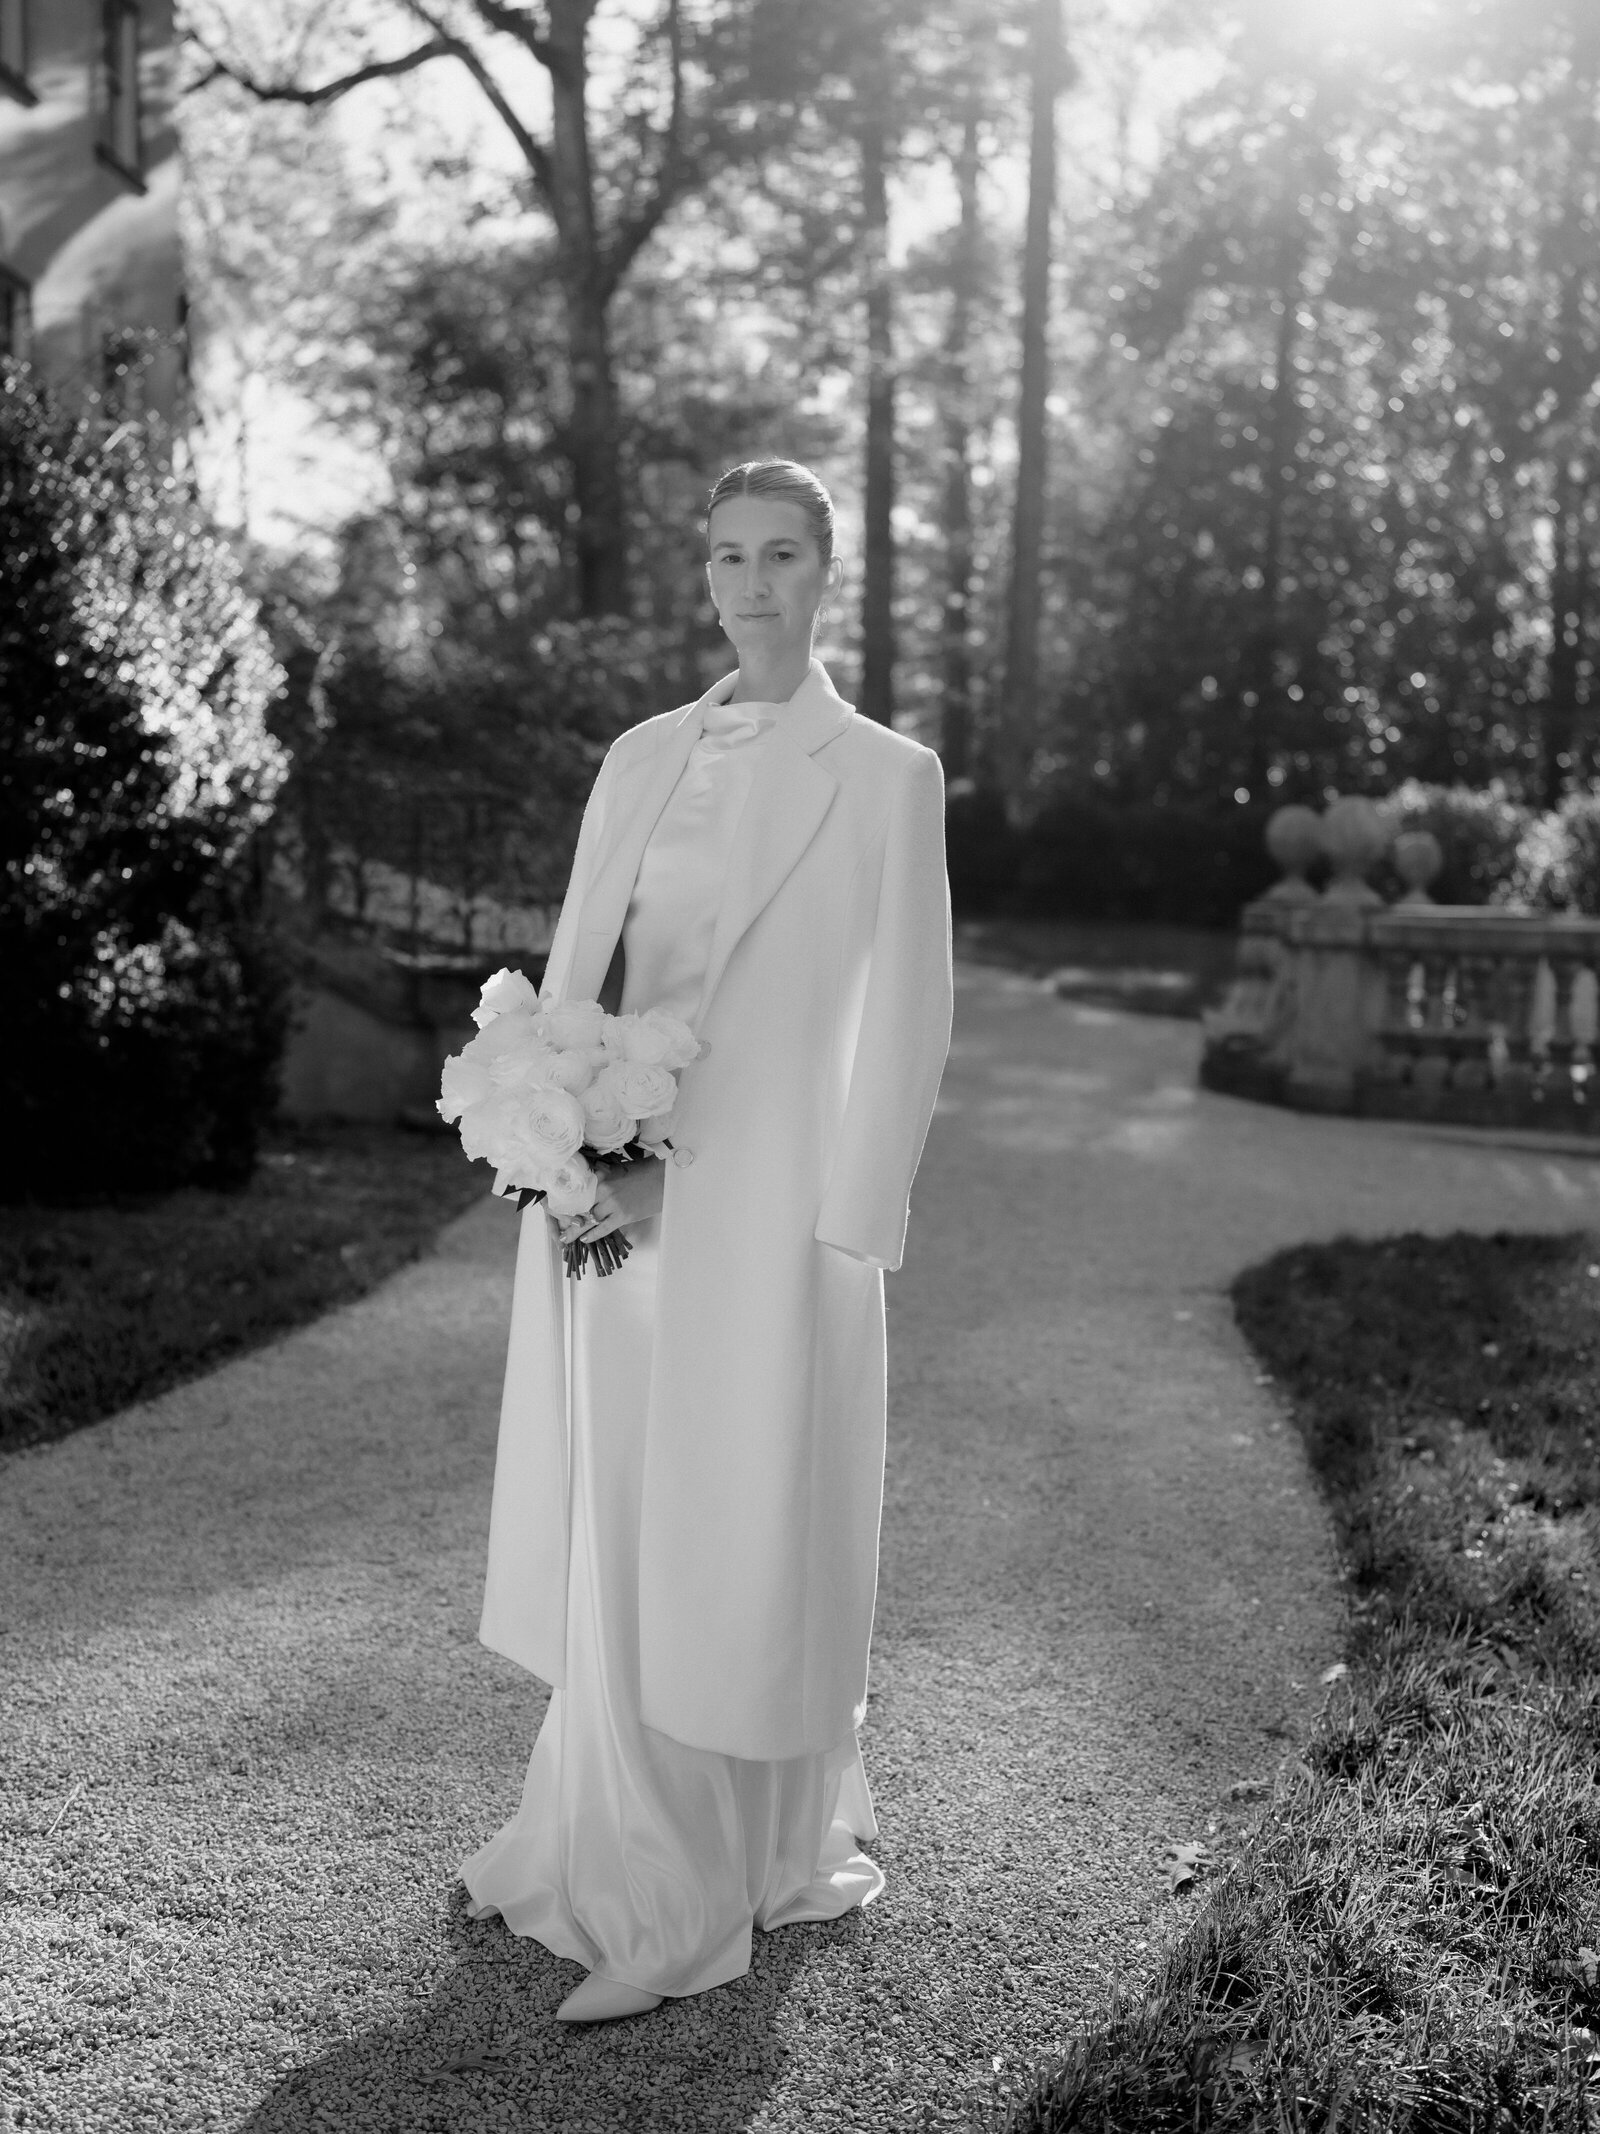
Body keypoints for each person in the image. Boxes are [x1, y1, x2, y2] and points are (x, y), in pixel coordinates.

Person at [459, 458, 953, 2023]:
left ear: (829, 571)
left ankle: (712, 1877)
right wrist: (554, 1145)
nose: (752, 583)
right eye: (729, 556)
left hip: (771, 1219)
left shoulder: (887, 775)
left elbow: (915, 1017)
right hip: (617, 1208)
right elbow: (574, 971)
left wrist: (853, 1224)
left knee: (739, 1529)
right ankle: (613, 1846)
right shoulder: (639, 757)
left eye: (783, 554)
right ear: (707, 576)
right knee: (623, 1511)